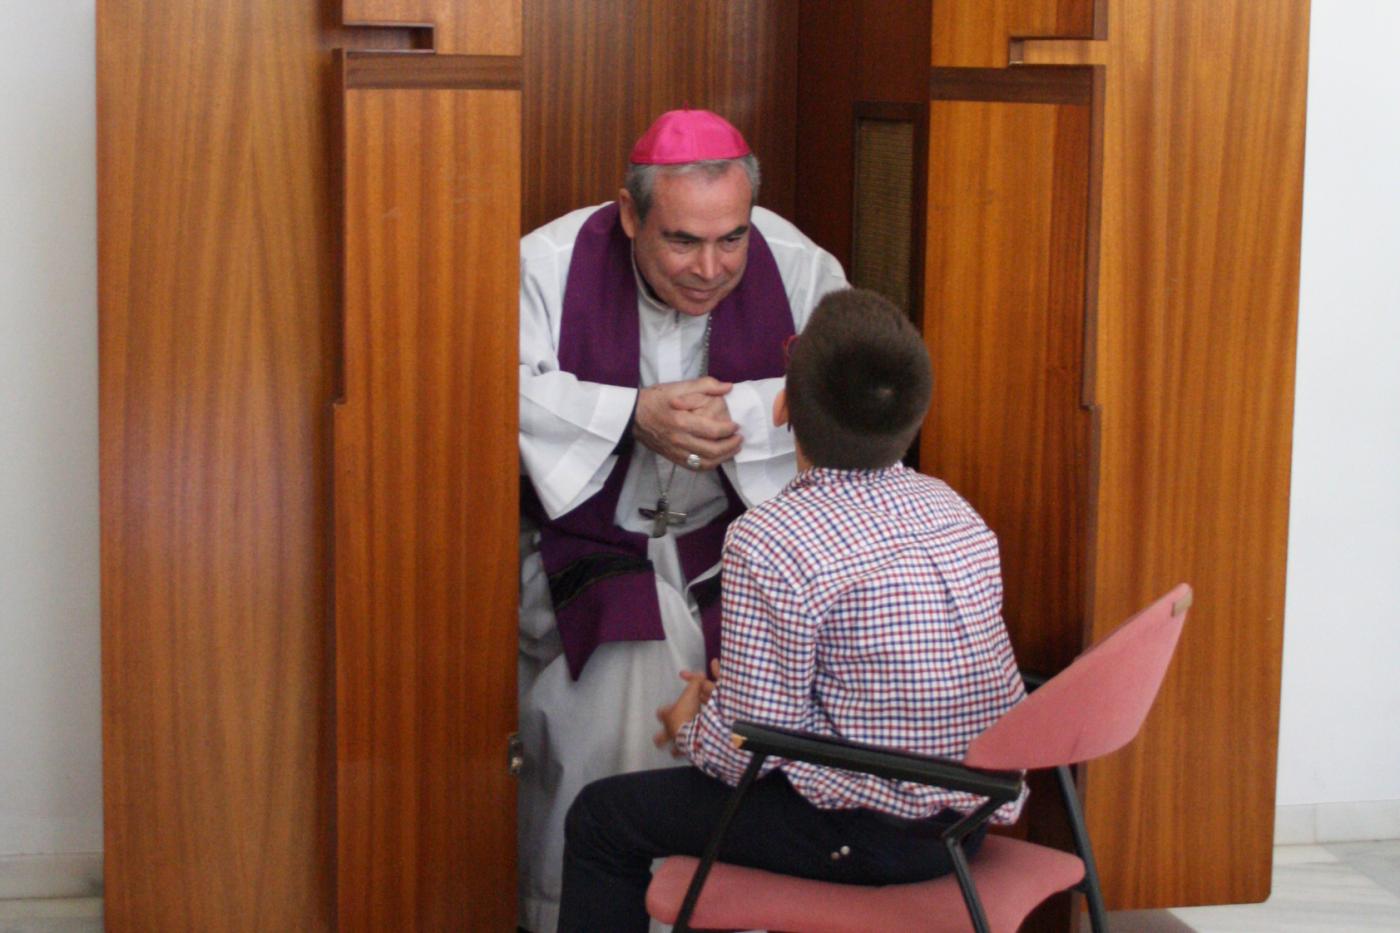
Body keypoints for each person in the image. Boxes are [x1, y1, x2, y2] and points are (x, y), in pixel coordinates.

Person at [556, 288, 1029, 932]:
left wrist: (695, 720)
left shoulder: (772, 537)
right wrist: (742, 707)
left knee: (601, 819)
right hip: (965, 819)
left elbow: (744, 753)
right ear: (915, 414)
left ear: (781, 406)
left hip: (866, 836)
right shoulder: (953, 511)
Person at [517, 109, 848, 931]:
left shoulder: (801, 266)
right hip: (586, 535)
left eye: (731, 240)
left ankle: (737, 915)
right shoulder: (547, 264)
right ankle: (592, 907)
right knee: (631, 665)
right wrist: (632, 415)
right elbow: (493, 381)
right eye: (681, 242)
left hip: (735, 533)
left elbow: (848, 398)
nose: (711, 269)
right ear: (630, 215)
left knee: (761, 646)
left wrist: (742, 416)